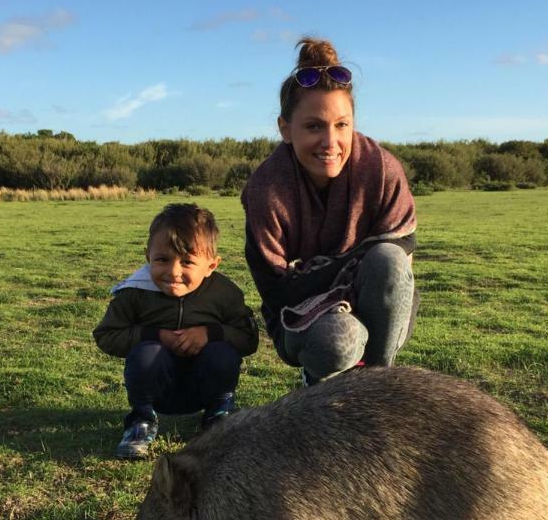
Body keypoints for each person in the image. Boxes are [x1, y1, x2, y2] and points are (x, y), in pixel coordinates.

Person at [241, 37, 417, 384]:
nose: (331, 142)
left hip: (374, 303)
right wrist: (355, 260)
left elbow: (401, 254)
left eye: (342, 124)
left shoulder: (381, 169)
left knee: (388, 259)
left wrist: (331, 268)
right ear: (285, 129)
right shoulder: (266, 189)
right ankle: (317, 379)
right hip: (299, 315)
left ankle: (378, 386)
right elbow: (278, 290)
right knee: (339, 339)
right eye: (314, 126)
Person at [93, 203, 258, 458]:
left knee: (222, 353)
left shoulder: (225, 293)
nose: (173, 271)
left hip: (206, 386)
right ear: (147, 255)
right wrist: (157, 336)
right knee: (147, 353)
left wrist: (210, 333)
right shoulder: (134, 292)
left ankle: (219, 415)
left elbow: (248, 338)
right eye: (162, 259)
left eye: (187, 261)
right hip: (158, 390)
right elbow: (106, 335)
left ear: (211, 265)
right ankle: (141, 421)